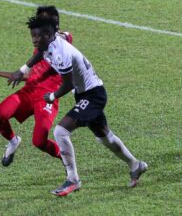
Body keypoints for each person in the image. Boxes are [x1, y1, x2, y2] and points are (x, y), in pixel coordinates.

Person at [8, 16, 148, 196]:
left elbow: (67, 84)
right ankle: (136, 165)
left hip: (93, 94)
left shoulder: (61, 54)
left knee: (61, 131)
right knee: (105, 136)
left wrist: (52, 95)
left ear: (49, 35)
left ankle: (73, 179)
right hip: (86, 93)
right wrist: (23, 70)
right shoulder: (51, 41)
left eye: (38, 36)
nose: (34, 40)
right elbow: (40, 52)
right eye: (32, 36)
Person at [0, 6, 73, 167]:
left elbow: (64, 37)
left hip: (47, 99)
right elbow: (30, 76)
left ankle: (68, 163)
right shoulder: (40, 44)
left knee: (39, 141)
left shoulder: (64, 39)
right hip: (29, 92)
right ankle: (13, 141)